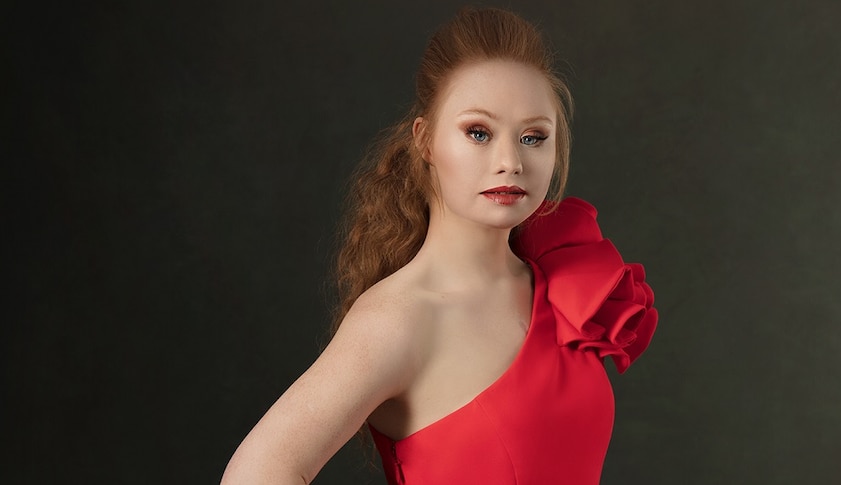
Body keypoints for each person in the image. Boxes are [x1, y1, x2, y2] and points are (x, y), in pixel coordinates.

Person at [222, 7, 657, 485]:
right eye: (478, 132)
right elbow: (258, 471)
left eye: (533, 137)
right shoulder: (398, 319)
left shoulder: (561, 286)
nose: (510, 160)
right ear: (425, 141)